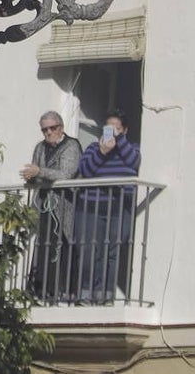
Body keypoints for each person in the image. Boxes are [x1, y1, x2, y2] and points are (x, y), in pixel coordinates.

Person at [74, 109, 141, 303]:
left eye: (116, 128)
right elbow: (85, 170)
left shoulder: (132, 148)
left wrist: (120, 142)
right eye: (108, 128)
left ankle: (106, 294)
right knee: (89, 250)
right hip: (92, 206)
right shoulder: (94, 148)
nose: (111, 131)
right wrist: (102, 152)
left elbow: (134, 163)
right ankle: (86, 292)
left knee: (112, 252)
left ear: (124, 130)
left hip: (121, 207)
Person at [20, 111, 82, 301]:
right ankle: (40, 290)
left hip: (65, 205)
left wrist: (39, 172)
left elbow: (66, 174)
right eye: (44, 129)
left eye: (52, 128)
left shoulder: (71, 146)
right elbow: (37, 174)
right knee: (43, 246)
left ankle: (62, 291)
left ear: (61, 128)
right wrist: (31, 177)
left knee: (62, 245)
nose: (48, 132)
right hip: (44, 204)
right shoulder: (40, 148)